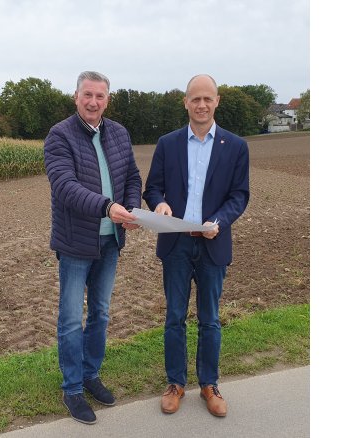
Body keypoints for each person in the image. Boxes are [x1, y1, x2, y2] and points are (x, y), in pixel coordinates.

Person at [142, 74, 250, 417]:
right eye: (195, 99)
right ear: (185, 103)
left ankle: (209, 384)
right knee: (174, 317)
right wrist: (158, 204)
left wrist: (218, 221)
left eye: (207, 99)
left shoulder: (235, 146)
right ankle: (175, 383)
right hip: (175, 244)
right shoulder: (168, 143)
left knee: (210, 319)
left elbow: (239, 195)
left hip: (212, 245)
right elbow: (152, 187)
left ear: (217, 101)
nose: (201, 105)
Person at [43, 71, 142, 424]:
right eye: (87, 95)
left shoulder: (118, 133)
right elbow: (64, 186)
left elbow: (132, 176)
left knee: (99, 312)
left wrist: (129, 209)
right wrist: (106, 207)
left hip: (110, 240)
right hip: (75, 243)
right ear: (76, 96)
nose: (93, 102)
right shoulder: (60, 135)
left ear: (107, 100)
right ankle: (72, 389)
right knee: (71, 319)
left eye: (100, 96)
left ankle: (90, 374)